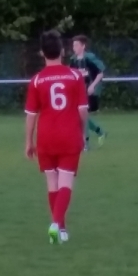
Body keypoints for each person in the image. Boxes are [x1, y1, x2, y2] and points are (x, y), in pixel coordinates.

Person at [25, 30, 90, 244]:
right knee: (65, 183)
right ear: (62, 51)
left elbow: (31, 115)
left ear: (42, 53)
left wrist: (29, 142)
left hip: (45, 138)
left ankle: (61, 230)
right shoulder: (75, 76)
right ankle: (55, 224)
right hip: (69, 136)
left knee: (52, 183)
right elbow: (82, 110)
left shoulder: (36, 80)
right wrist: (83, 132)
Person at [68, 35, 107, 149]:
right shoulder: (73, 60)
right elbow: (72, 75)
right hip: (79, 91)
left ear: (83, 46)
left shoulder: (90, 58)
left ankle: (85, 144)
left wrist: (93, 86)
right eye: (73, 45)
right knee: (80, 115)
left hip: (90, 90)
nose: (74, 47)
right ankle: (100, 132)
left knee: (82, 115)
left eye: (76, 45)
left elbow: (101, 73)